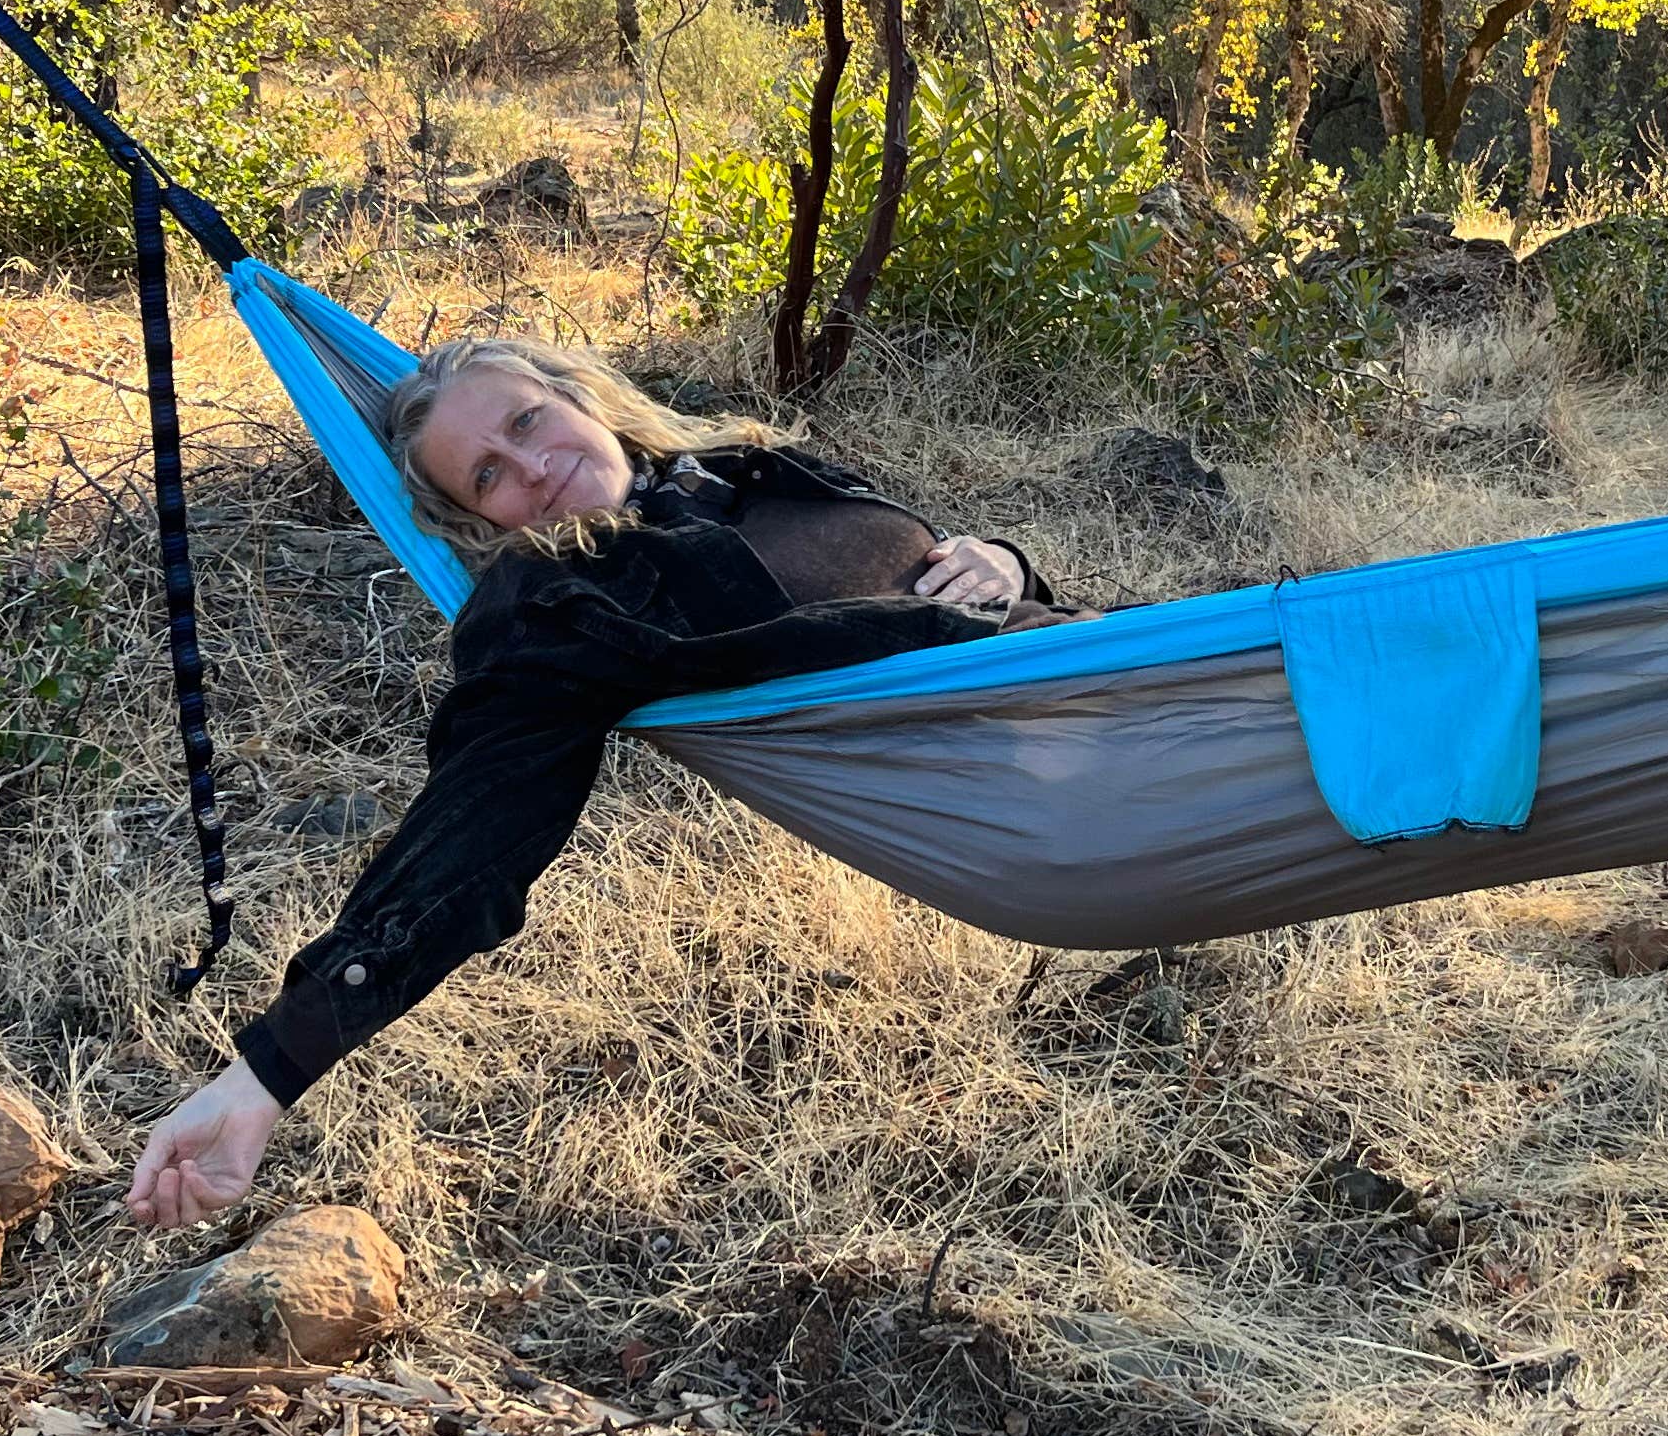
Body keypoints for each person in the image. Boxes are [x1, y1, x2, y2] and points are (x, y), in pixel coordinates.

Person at [122, 336, 1054, 1230]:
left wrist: (1004, 558)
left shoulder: (734, 463)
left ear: (582, 399)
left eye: (525, 423)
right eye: (486, 476)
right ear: (480, 522)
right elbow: (474, 832)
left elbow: (944, 560)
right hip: (1058, 761)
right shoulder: (558, 601)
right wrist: (268, 1072)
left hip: (1121, 668)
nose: (525, 468)